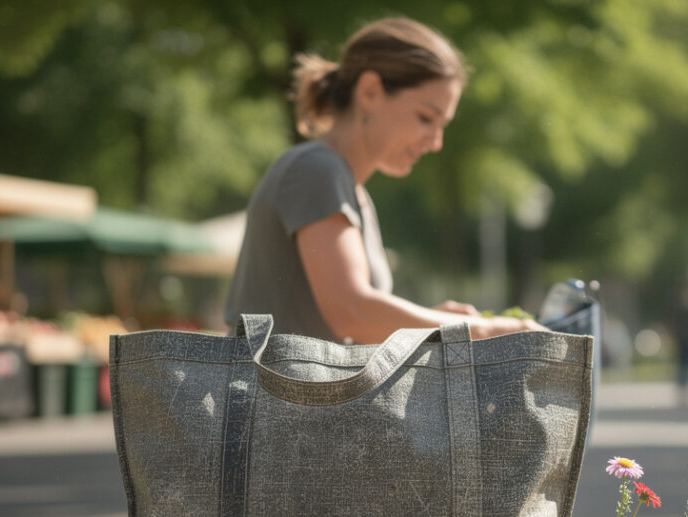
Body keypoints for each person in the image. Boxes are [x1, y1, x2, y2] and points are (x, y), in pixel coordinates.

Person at [225, 18, 545, 343]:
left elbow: (347, 324)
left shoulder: (351, 189)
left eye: (442, 124)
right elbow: (352, 314)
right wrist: (490, 329)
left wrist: (435, 319)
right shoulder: (316, 169)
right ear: (370, 91)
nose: (436, 142)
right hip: (275, 394)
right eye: (425, 118)